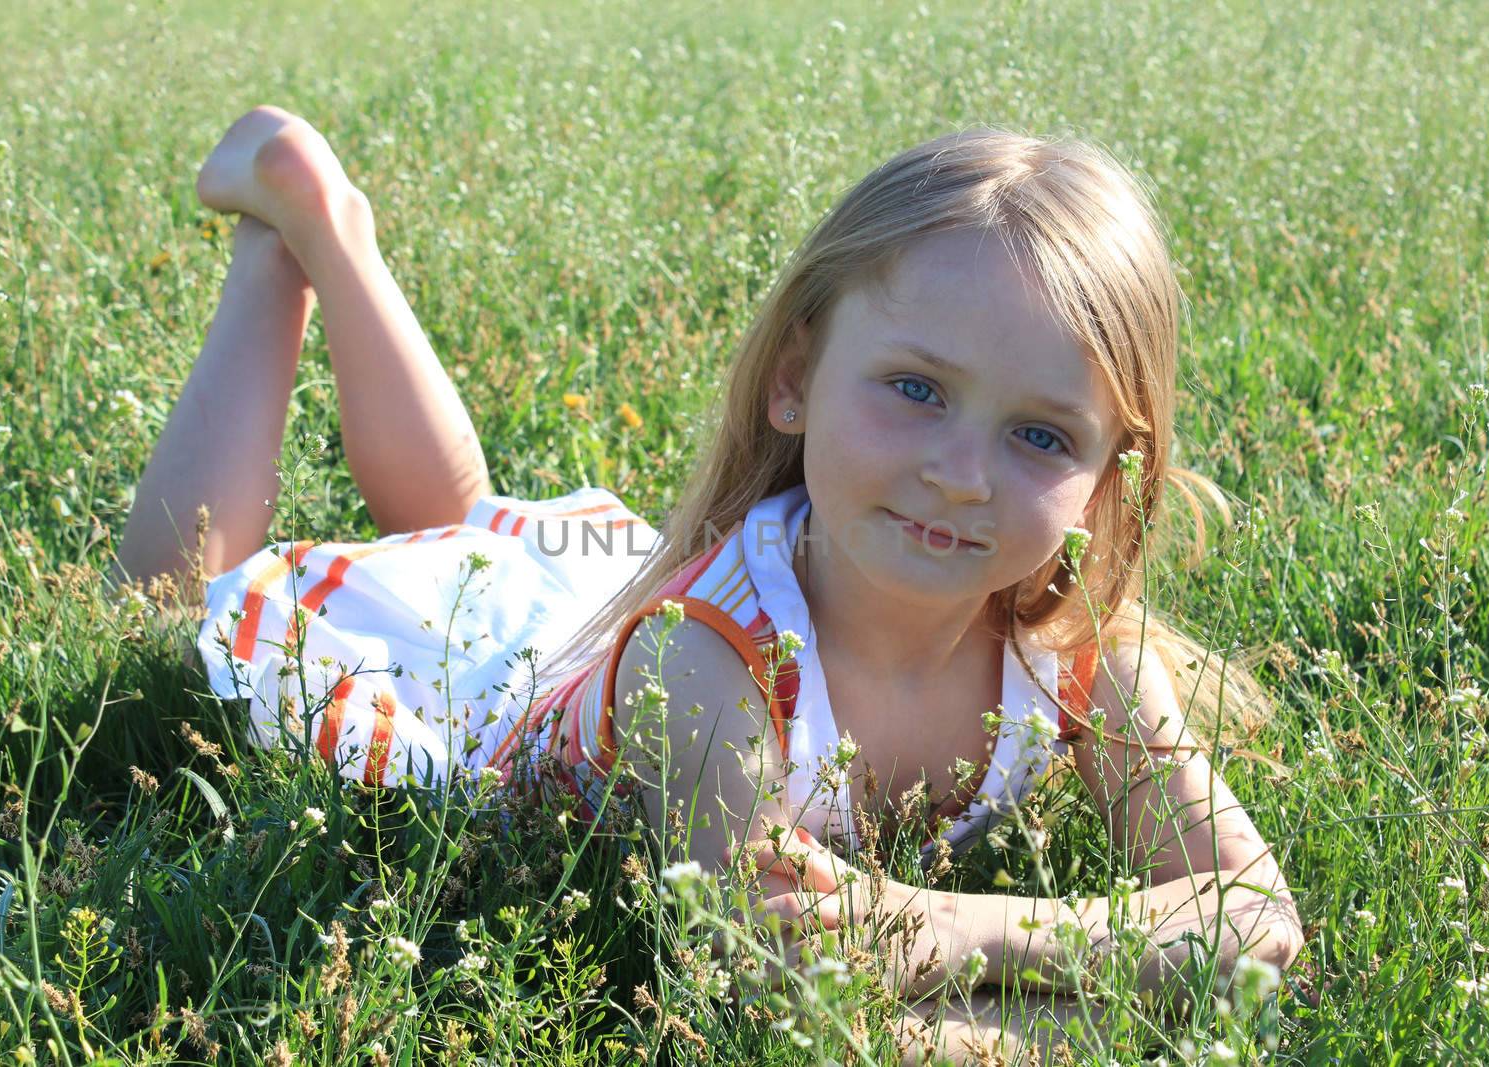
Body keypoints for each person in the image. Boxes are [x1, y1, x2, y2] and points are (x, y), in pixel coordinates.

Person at [112, 105, 1302, 1062]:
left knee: (469, 535)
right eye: (917, 390)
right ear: (794, 379)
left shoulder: (1080, 645)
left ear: (1107, 481)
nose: (958, 475)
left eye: (1042, 436)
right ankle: (293, 242)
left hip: (577, 628)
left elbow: (1259, 922)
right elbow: (781, 994)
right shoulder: (707, 658)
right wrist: (1120, 998)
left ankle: (328, 224)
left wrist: (947, 927)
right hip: (493, 705)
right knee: (192, 598)